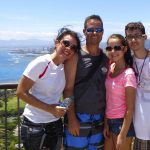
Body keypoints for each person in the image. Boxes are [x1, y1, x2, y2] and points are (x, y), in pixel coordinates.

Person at [16, 27, 81, 150]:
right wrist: (49, 109)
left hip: (55, 123)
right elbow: (20, 92)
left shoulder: (64, 67)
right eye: (66, 43)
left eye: (73, 47)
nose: (68, 48)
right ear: (56, 43)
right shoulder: (41, 63)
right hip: (35, 124)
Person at [63, 15, 108, 150]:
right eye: (91, 29)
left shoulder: (106, 57)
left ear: (103, 32)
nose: (95, 33)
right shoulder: (76, 56)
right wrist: (71, 119)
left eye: (98, 29)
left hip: (99, 120)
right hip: (78, 117)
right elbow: (68, 89)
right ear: (84, 31)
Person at [104, 34, 137, 150]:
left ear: (125, 49)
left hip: (122, 123)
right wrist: (106, 122)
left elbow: (130, 108)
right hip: (109, 120)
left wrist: (122, 135)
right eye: (109, 48)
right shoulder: (111, 68)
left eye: (117, 48)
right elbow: (108, 99)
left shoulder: (128, 74)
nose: (113, 51)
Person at [125, 22, 150, 150]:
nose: (133, 40)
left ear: (145, 37)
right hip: (139, 129)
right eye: (129, 37)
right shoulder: (128, 62)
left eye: (137, 36)